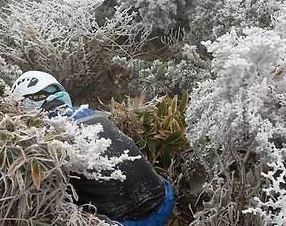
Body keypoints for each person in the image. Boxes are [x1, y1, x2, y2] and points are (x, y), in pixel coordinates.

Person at [10, 71, 175, 226]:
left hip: (127, 221)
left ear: (26, 104)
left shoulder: (46, 134)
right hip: (165, 199)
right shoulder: (94, 114)